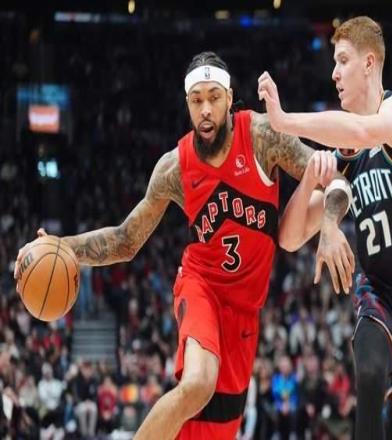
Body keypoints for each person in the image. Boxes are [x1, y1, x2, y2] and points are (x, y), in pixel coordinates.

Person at [15, 51, 352, 439]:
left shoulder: (263, 136)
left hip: (246, 311)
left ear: (229, 98)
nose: (205, 109)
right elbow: (126, 240)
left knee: (214, 429)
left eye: (214, 97)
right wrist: (62, 246)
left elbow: (336, 180)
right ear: (187, 104)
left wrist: (329, 224)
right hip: (201, 286)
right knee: (197, 384)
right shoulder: (175, 167)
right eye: (196, 100)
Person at [259, 16, 392, 440]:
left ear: (369, 63)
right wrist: (311, 181)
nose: (334, 73)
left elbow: (365, 130)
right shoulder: (347, 153)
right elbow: (290, 238)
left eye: (343, 60)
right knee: (367, 370)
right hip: (380, 293)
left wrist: (284, 121)